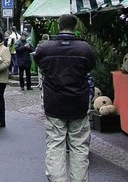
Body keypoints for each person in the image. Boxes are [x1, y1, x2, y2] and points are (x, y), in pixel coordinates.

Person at [34, 13, 96, 182]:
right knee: (79, 146)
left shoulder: (45, 49)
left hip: (54, 102)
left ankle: (57, 179)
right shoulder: (85, 49)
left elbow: (40, 65)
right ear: (74, 26)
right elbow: (90, 68)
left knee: (55, 144)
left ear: (59, 25)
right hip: (79, 103)